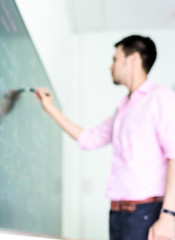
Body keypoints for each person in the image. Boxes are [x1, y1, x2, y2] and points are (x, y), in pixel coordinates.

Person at [35, 35, 175, 240]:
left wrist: (169, 215)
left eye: (115, 59)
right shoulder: (124, 108)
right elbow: (89, 138)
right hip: (118, 214)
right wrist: (50, 109)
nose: (111, 66)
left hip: (146, 213)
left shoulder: (160, 97)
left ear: (133, 59)